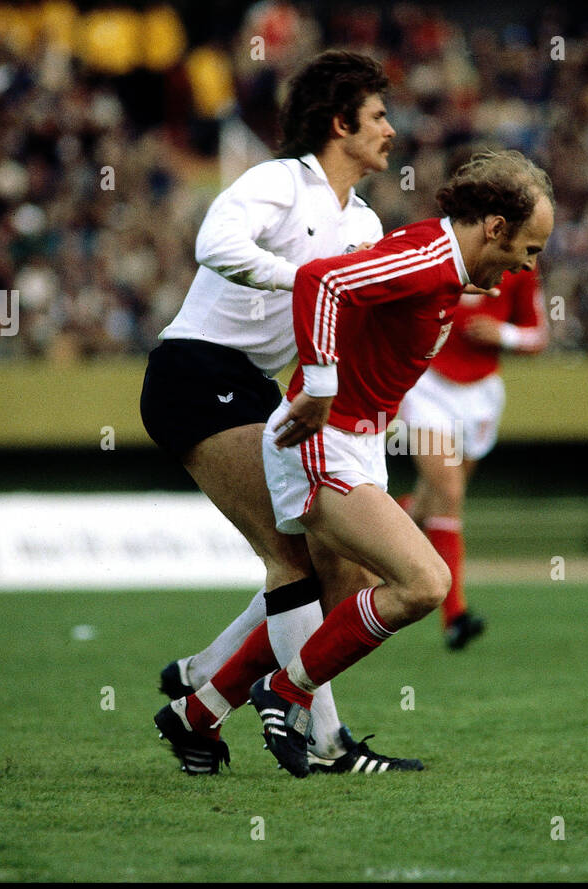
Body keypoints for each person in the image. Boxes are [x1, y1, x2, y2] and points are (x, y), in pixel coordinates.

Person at [157, 150, 554, 777]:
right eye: (528, 248)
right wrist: (317, 383)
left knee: (350, 592)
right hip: (325, 440)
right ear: (496, 228)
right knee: (422, 583)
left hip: (360, 443)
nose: (530, 264)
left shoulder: (446, 266)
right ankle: (287, 696)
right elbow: (322, 281)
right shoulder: (428, 257)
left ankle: (201, 708)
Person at [143, 50, 421, 774]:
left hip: (261, 388)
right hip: (195, 372)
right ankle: (323, 740)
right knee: (294, 560)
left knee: (333, 566)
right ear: (339, 123)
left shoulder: (363, 226)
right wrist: (305, 280)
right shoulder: (278, 182)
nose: (392, 129)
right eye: (379, 116)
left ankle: (199, 697)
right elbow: (214, 244)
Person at [399, 147, 549, 649]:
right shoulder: (434, 249)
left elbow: (536, 336)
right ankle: (455, 615)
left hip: (481, 394)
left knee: (428, 505)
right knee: (450, 495)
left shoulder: (516, 265)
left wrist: (500, 336)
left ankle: (357, 545)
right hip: (428, 387)